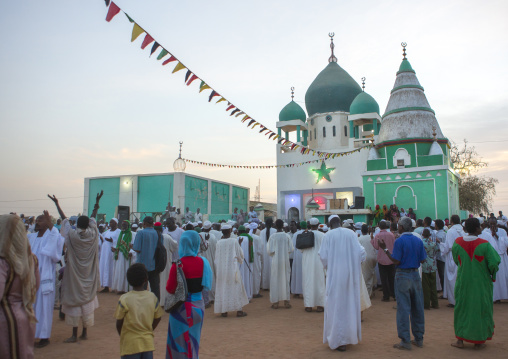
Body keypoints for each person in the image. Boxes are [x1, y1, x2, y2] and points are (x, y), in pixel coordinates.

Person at [49, 192, 102, 344]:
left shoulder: (72, 235)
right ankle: (84, 332)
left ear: (77, 224)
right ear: (89, 225)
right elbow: (92, 217)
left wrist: (57, 204)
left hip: (74, 274)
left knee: (75, 302)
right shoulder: (93, 234)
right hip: (89, 274)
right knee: (87, 302)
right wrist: (97, 203)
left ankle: (74, 334)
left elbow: (64, 219)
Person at [378, 217, 427, 350]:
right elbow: (423, 260)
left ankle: (405, 341)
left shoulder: (400, 241)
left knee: (403, 308)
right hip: (415, 275)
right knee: (417, 307)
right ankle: (419, 338)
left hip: (402, 275)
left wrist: (385, 249)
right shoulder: (418, 240)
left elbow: (396, 261)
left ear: (401, 227)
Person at [318, 215, 365, 352]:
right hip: (350, 277)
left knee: (336, 306)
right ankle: (349, 337)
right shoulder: (351, 233)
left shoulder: (328, 236)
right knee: (349, 304)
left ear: (329, 223)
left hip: (335, 277)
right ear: (340, 222)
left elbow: (323, 257)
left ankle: (339, 340)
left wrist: (330, 267)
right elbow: (362, 253)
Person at [451, 218, 500, 349]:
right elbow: (494, 263)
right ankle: (478, 341)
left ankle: (460, 340)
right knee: (480, 309)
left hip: (463, 282)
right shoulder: (485, 244)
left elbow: (457, 260)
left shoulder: (457, 243)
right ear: (477, 228)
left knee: (462, 308)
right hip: (481, 283)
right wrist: (490, 273)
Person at [165, 230, 212, 358]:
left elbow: (170, 289)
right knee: (193, 342)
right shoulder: (204, 262)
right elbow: (206, 286)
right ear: (196, 243)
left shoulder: (177, 264)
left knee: (178, 343)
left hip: (180, 309)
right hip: (198, 308)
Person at [0, 214, 40, 359]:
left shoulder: (4, 261)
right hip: (26, 315)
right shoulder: (32, 259)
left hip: (6, 319)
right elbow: (35, 286)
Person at [28, 210, 64, 348]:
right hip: (30, 278)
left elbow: (55, 253)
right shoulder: (31, 237)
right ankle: (31, 334)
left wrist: (51, 225)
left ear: (47, 223)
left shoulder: (52, 235)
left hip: (44, 277)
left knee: (44, 308)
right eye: (36, 220)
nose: (37, 222)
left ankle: (44, 337)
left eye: (40, 220)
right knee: (31, 307)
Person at [115, 263, 163, 359]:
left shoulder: (124, 299)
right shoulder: (152, 297)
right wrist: (149, 330)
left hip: (130, 344)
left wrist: (124, 335)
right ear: (146, 279)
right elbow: (158, 317)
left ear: (129, 280)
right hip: (147, 343)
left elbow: (118, 322)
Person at [213, 223, 249, 317]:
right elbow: (240, 254)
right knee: (236, 288)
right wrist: (239, 245)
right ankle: (239, 311)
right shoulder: (234, 241)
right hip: (233, 270)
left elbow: (216, 259)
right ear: (230, 231)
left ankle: (224, 311)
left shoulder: (219, 242)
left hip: (222, 270)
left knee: (223, 288)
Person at [300, 218, 325, 312]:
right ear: (318, 224)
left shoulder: (305, 235)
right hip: (319, 261)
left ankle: (308, 305)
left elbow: (301, 249)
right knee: (320, 282)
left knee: (308, 282)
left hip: (307, 261)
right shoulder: (323, 235)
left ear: (309, 224)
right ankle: (320, 305)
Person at [133, 216, 161, 301]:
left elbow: (137, 249)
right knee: (155, 289)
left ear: (144, 223)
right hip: (155, 265)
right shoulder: (158, 233)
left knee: (141, 289)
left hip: (142, 266)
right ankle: (156, 308)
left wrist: (132, 246)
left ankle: (143, 307)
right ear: (152, 224)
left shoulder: (140, 233)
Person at [267, 219, 293, 309]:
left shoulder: (272, 237)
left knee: (275, 279)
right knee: (285, 279)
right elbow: (291, 249)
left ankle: (275, 303)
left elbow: (269, 251)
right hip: (285, 260)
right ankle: (286, 302)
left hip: (276, 261)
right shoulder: (287, 236)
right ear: (283, 226)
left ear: (275, 226)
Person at [481, 218, 508, 302]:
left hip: (502, 256)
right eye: (491, 224)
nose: (493, 225)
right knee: (494, 278)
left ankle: (504, 295)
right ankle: (495, 297)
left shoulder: (502, 231)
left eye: (494, 224)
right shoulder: (486, 232)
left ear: (497, 223)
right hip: (491, 257)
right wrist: (491, 236)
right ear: (488, 224)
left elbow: (506, 242)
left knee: (504, 276)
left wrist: (496, 236)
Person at [440, 215, 464, 307]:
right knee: (460, 278)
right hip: (462, 256)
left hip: (452, 256)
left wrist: (440, 244)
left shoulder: (451, 231)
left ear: (452, 221)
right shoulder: (463, 230)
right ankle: (462, 299)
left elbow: (448, 246)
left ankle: (454, 301)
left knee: (452, 279)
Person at [371, 221, 396, 301]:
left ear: (379, 227)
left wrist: (372, 240)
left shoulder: (377, 235)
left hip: (382, 259)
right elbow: (394, 245)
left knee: (384, 279)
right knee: (391, 278)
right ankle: (394, 294)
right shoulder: (391, 235)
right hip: (391, 258)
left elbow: (376, 247)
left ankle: (386, 296)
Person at [155, 222, 177, 308]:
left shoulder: (152, 236)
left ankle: (155, 302)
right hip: (165, 262)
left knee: (155, 282)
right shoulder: (167, 237)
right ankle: (164, 302)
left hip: (154, 263)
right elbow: (174, 246)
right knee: (165, 281)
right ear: (162, 229)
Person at [112, 220, 135, 294]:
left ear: (128, 225)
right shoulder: (121, 234)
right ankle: (120, 288)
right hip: (120, 255)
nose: (123, 226)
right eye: (122, 225)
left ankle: (126, 289)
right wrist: (115, 249)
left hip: (127, 255)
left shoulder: (132, 234)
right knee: (120, 271)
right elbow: (118, 244)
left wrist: (131, 252)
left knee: (126, 271)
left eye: (125, 225)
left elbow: (133, 244)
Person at [99, 218, 121, 293]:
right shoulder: (107, 231)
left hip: (112, 252)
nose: (110, 223)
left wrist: (112, 241)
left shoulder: (118, 232)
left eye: (112, 222)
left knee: (112, 268)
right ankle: (106, 286)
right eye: (110, 222)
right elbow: (102, 238)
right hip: (105, 253)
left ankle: (114, 287)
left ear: (116, 223)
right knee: (105, 268)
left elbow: (119, 241)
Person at [199, 221, 218, 306]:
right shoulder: (213, 237)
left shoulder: (199, 235)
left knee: (202, 278)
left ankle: (204, 299)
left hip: (201, 260)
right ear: (210, 228)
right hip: (211, 259)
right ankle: (212, 297)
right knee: (211, 277)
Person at [421, 228, 439, 309]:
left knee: (426, 286)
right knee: (433, 286)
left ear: (422, 235)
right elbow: (436, 252)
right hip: (432, 265)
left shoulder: (421, 243)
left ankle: (426, 304)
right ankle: (435, 303)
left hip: (424, 266)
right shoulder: (433, 243)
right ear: (430, 235)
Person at [358, 224, 377, 297]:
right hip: (373, 257)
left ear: (361, 230)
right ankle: (371, 291)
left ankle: (368, 294)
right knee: (371, 273)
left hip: (365, 258)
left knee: (366, 276)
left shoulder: (359, 239)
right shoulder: (372, 237)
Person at [237, 226, 254, 300]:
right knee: (247, 278)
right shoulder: (249, 238)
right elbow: (251, 251)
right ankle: (248, 295)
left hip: (239, 262)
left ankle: (240, 296)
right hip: (247, 261)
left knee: (240, 277)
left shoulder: (236, 239)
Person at [260, 218, 276, 290]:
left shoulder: (262, 232)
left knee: (265, 268)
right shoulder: (275, 231)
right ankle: (272, 285)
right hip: (273, 252)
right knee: (272, 268)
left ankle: (265, 285)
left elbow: (261, 243)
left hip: (264, 252)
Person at [290, 222, 304, 298]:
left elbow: (292, 246)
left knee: (297, 273)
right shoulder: (309, 233)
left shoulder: (296, 234)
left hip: (297, 255)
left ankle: (296, 291)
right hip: (306, 255)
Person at [434, 219, 446, 292]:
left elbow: (438, 247)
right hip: (445, 256)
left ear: (437, 226)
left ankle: (444, 290)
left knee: (441, 274)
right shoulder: (445, 233)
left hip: (440, 256)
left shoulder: (437, 235)